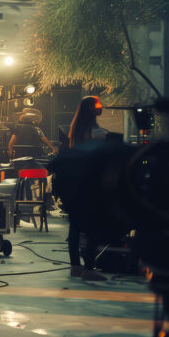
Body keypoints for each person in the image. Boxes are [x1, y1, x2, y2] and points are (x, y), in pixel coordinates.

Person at [65, 96, 106, 281]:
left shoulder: (76, 129)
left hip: (75, 181)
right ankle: (89, 268)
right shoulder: (94, 131)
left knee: (75, 225)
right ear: (91, 108)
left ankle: (75, 266)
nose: (101, 106)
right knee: (93, 226)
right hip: (90, 181)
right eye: (98, 104)